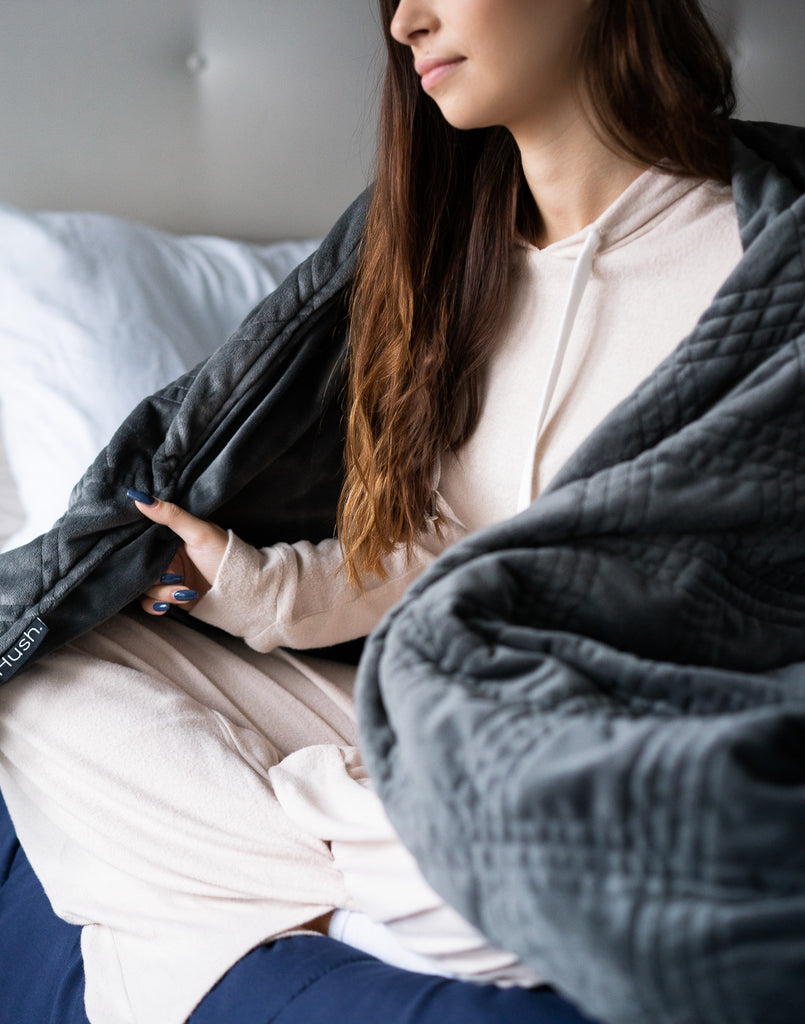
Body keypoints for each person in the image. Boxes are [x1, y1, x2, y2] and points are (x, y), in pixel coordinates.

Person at [0, 0, 785, 1022]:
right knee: (43, 674)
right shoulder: (443, 253)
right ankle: (404, 875)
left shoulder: (762, 261)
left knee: (582, 825)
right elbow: (431, 546)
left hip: (588, 740)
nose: (406, 20)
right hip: (404, 720)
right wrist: (258, 585)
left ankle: (288, 876)